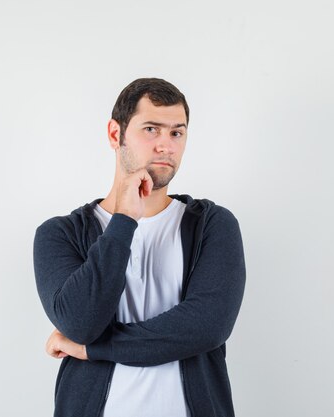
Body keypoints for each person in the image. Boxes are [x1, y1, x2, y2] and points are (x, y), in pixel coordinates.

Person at [34, 78, 246, 417]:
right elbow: (80, 323)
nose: (166, 146)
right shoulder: (60, 234)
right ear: (114, 134)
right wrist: (125, 221)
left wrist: (91, 349)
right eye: (151, 129)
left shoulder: (212, 224)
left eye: (177, 133)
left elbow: (206, 327)